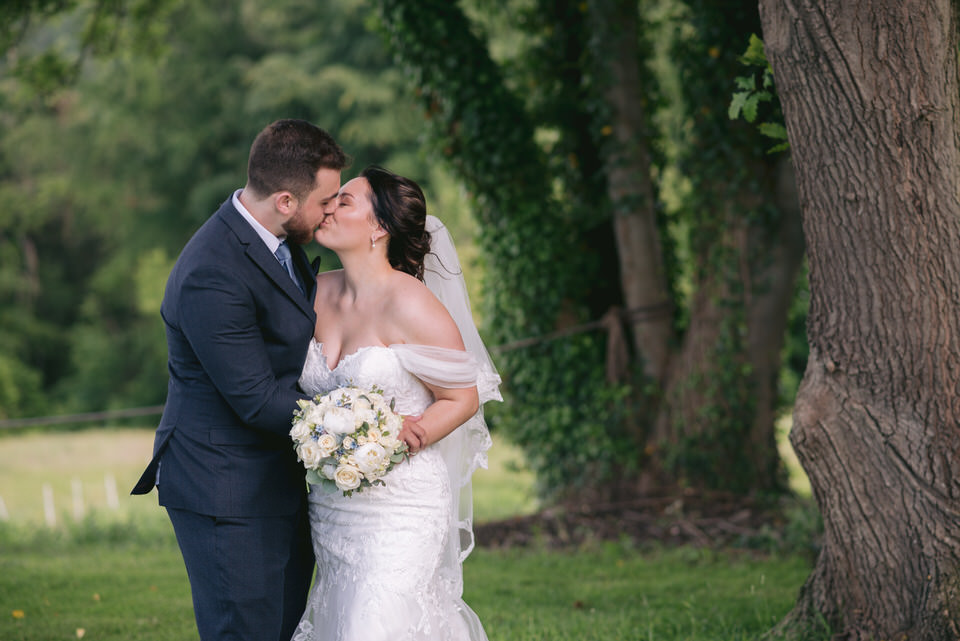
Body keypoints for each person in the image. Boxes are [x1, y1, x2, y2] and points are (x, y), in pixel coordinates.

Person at [131, 119, 349, 641]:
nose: (332, 211)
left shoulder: (276, 239)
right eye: (327, 200)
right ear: (286, 201)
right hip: (223, 486)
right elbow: (255, 398)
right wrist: (356, 426)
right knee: (245, 631)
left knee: (282, 628)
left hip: (275, 477)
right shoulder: (213, 269)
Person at [291, 166, 500, 641]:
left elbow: (463, 397)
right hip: (333, 504)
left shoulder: (412, 303)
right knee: (341, 619)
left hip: (401, 506)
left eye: (345, 201)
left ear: (379, 227)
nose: (328, 207)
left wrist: (408, 436)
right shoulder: (316, 293)